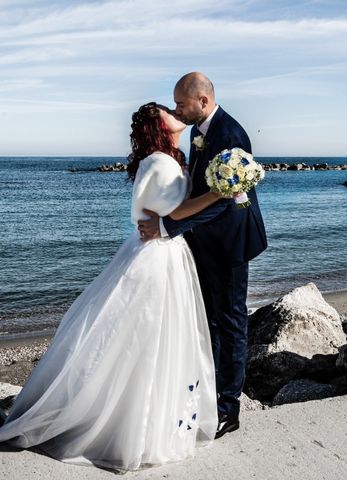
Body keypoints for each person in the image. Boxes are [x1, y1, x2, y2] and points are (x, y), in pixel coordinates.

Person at [0, 103, 222, 471]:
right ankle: (132, 428)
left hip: (162, 252)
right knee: (148, 338)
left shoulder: (166, 159)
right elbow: (177, 213)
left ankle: (149, 419)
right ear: (158, 125)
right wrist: (220, 192)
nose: (175, 112)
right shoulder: (159, 163)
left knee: (156, 337)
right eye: (168, 111)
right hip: (157, 256)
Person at [138, 72, 267, 439]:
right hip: (204, 243)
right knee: (208, 322)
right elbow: (199, 190)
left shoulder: (229, 134)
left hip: (229, 244)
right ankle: (205, 396)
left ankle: (229, 409)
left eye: (181, 103)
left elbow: (222, 201)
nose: (177, 108)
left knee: (230, 322)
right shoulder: (200, 132)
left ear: (203, 102)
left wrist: (167, 227)